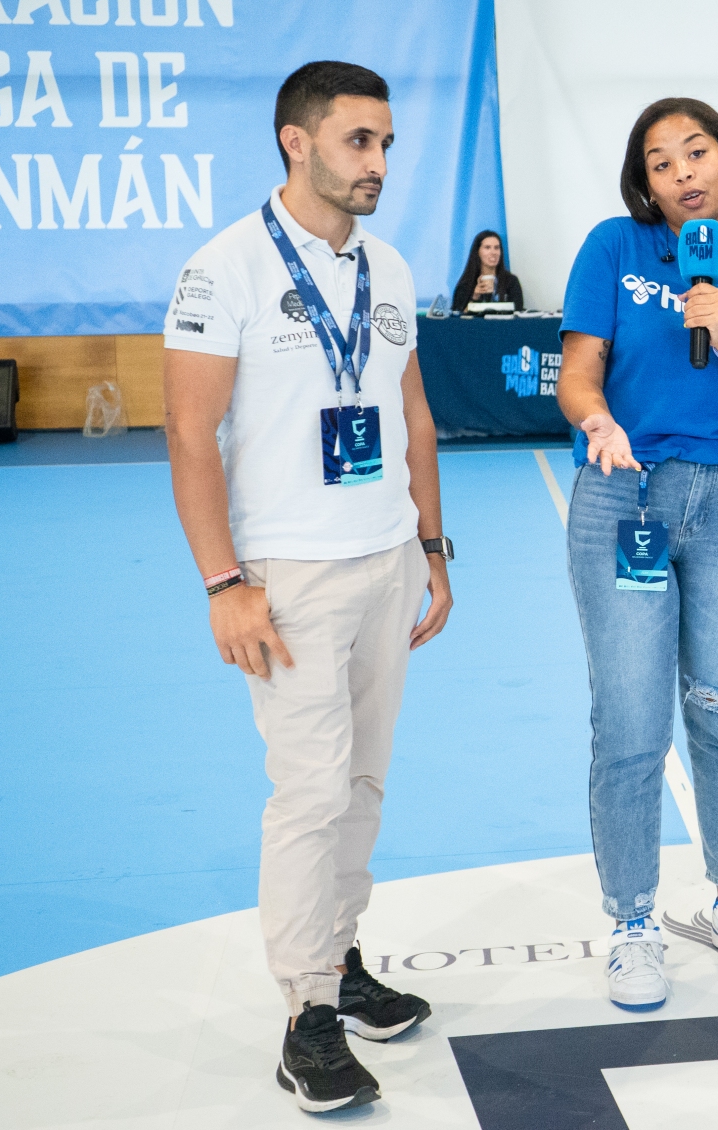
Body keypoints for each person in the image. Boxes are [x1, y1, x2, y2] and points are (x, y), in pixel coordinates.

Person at [162, 61, 454, 1114]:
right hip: (284, 576)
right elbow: (188, 432)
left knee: (363, 783)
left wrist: (432, 547)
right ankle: (306, 1018)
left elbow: (412, 416)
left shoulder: (391, 268)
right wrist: (223, 582)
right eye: (358, 141)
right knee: (310, 793)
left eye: (386, 144)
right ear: (298, 141)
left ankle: (338, 957)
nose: (378, 163)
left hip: (386, 559)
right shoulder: (224, 268)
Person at [555, 97, 718, 1013]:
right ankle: (633, 921)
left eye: (696, 152)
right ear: (646, 184)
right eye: (660, 163)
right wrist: (597, 420)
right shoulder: (615, 249)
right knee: (631, 723)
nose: (681, 174)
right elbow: (579, 371)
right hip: (625, 495)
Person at [451, 229, 525, 311]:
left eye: (496, 248)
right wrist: (475, 297)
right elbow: (458, 315)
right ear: (477, 252)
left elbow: (518, 311)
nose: (493, 252)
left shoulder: (511, 281)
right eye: (487, 247)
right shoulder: (466, 284)